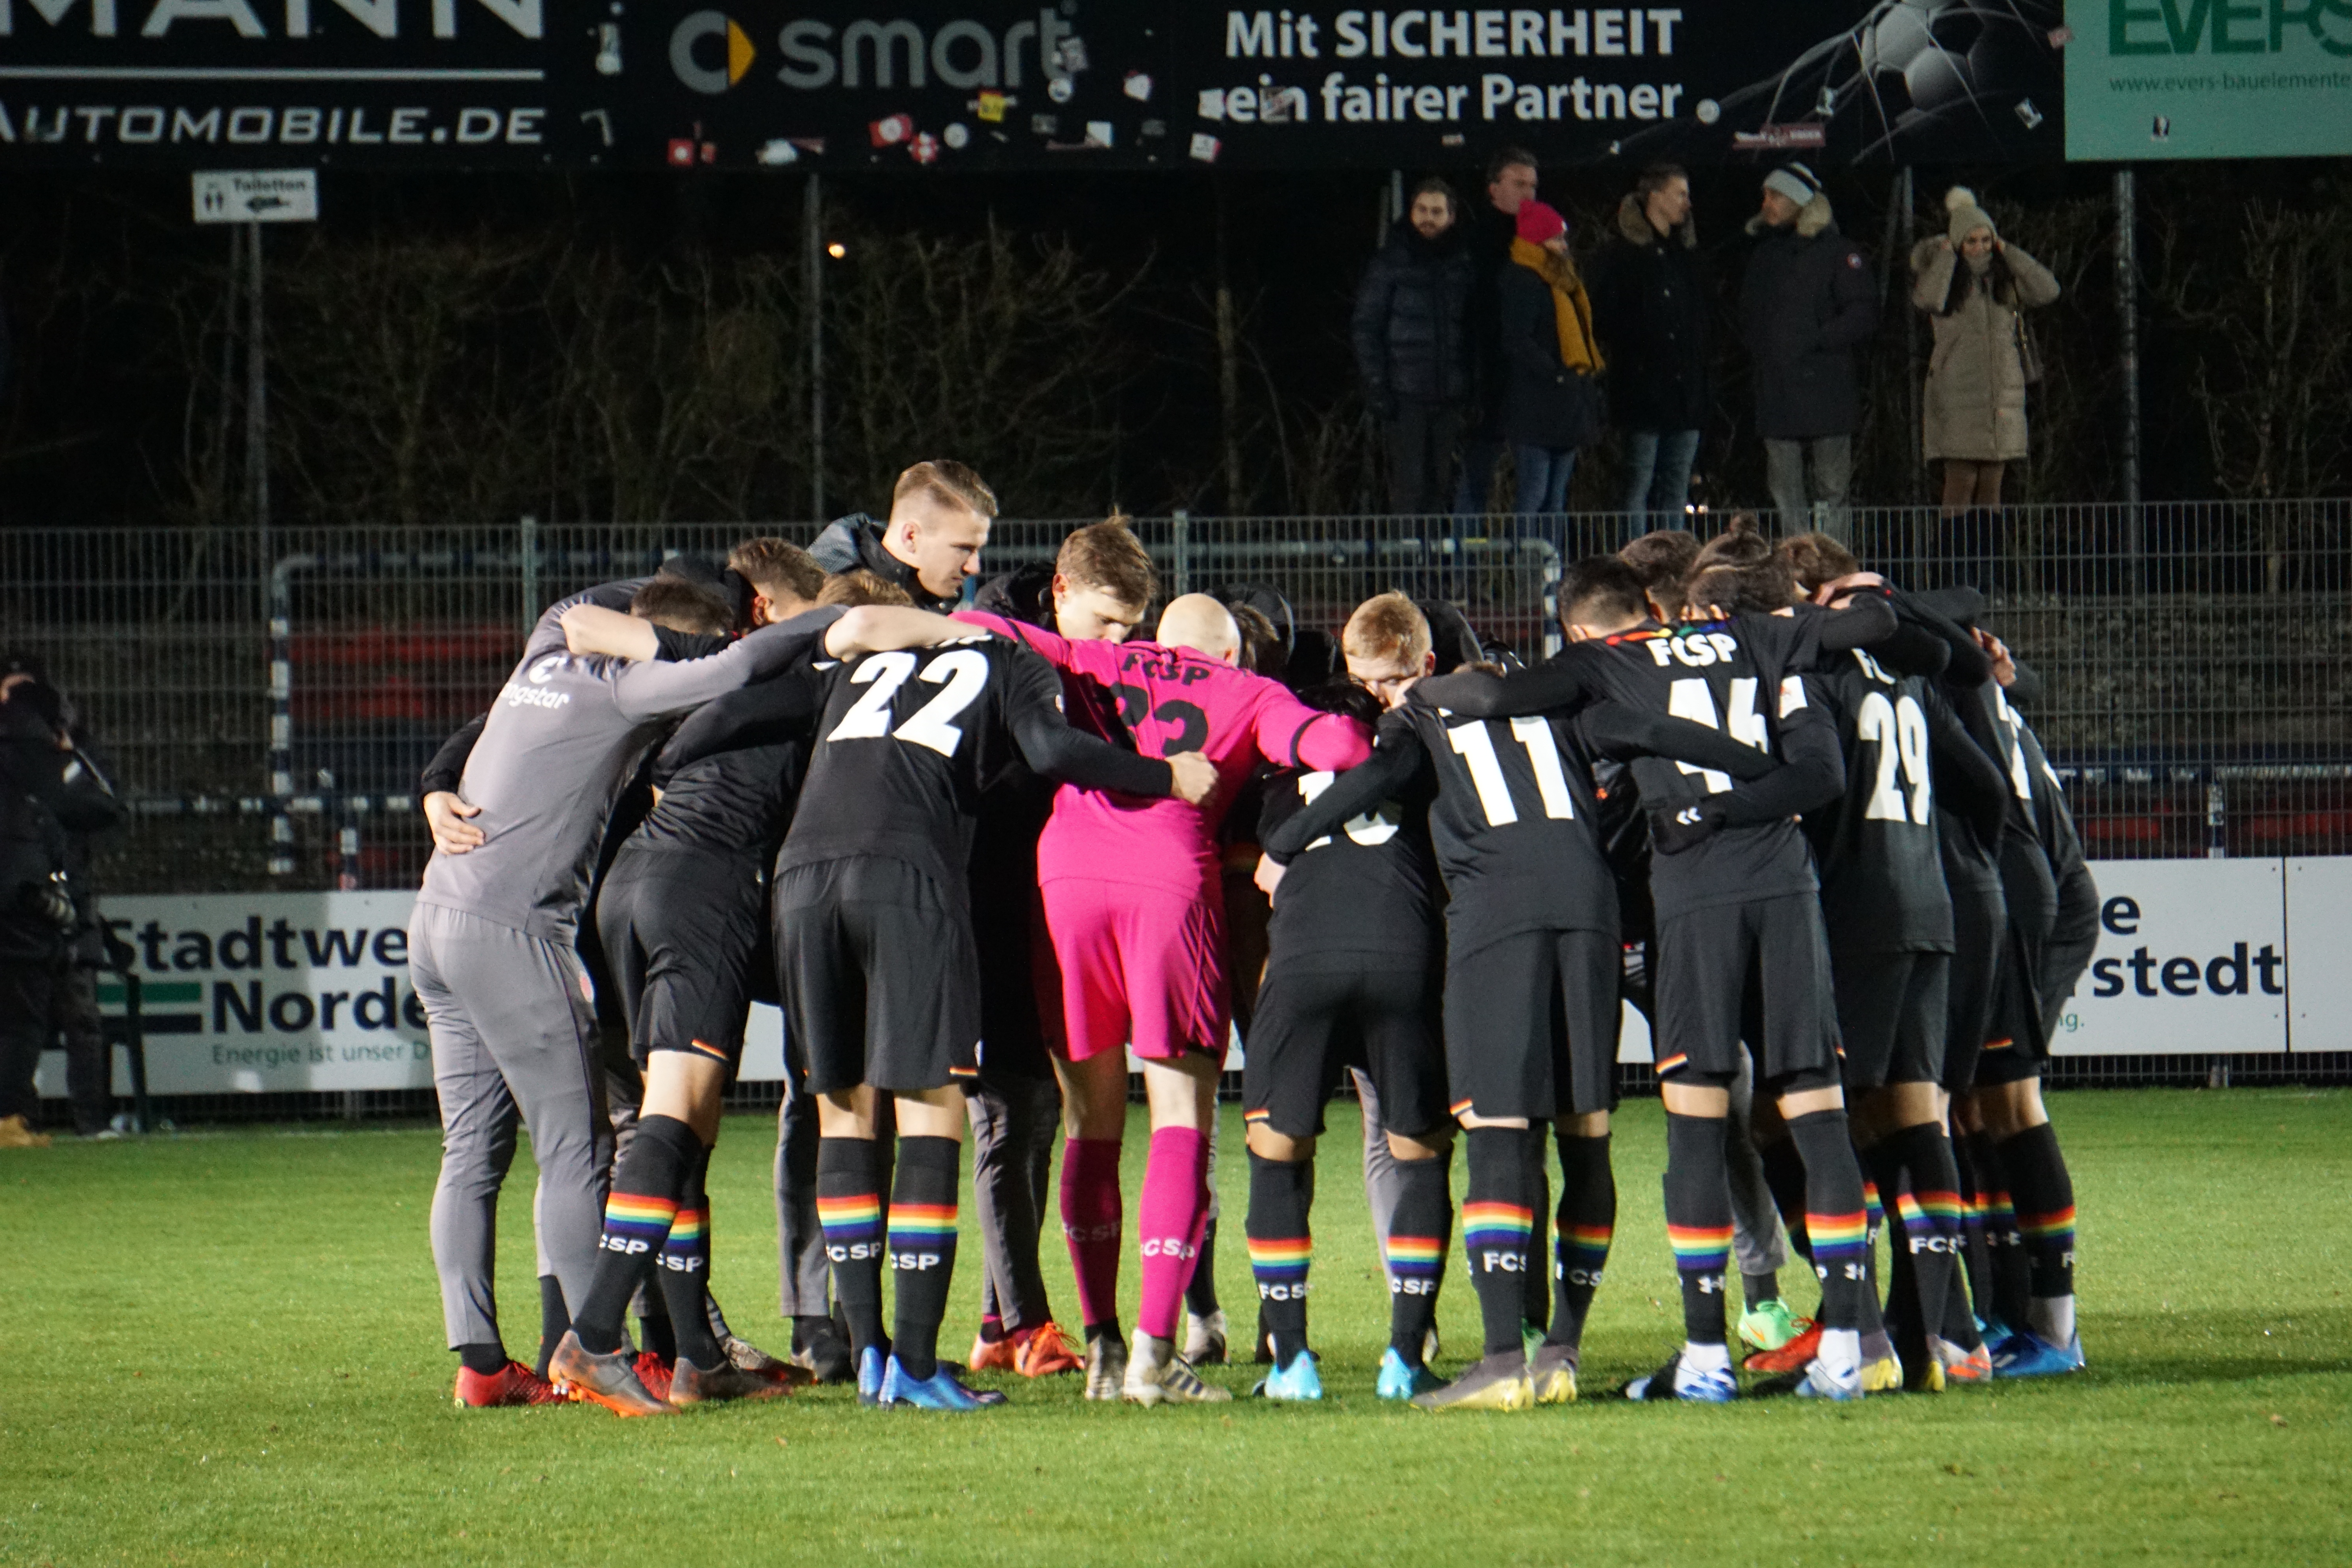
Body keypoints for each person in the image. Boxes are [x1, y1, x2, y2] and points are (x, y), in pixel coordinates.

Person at [670, 608, 1214, 1414]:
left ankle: (868, 1357)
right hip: (910, 877)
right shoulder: (1012, 660)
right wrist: (1165, 774)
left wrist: (664, 766)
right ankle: (919, 1365)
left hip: (805, 879)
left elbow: (727, 713)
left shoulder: (864, 660)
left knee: (844, 1114)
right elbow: (1054, 750)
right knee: (933, 1112)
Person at [1274, 592, 1788, 1411]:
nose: (1382, 695)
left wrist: (1284, 843)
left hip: (1498, 921)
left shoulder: (1419, 722)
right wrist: (1762, 768)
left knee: (1499, 1133)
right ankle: (1562, 1351)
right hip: (1590, 917)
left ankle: (1502, 1357)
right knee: (1586, 1136)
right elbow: (1654, 733)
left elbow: (1373, 781)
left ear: (1426, 670)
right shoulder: (1561, 705)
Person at [1416, 530, 1893, 1402]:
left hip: (1694, 896)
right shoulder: (1757, 639)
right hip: (1788, 885)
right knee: (1818, 1113)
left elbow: (1493, 695)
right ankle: (1851, 1349)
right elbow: (1868, 628)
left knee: (1696, 1120)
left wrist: (1427, 686)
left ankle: (1707, 1353)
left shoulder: (1606, 664)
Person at [408, 573, 850, 1410]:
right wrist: (840, 620)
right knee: (579, 1147)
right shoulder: (626, 695)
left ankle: (482, 1361)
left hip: (436, 912)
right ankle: (596, 1349)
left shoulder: (545, 641)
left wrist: (435, 782)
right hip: (515, 928)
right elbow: (734, 669)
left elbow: (598, 606)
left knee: (470, 1152)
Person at [949, 593, 1373, 1405]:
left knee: (1089, 1126)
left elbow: (982, 624)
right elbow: (1338, 745)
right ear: (1235, 652)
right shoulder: (1251, 692)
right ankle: (1153, 1349)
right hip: (1169, 883)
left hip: (1064, 880)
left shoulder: (1096, 659)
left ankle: (1104, 1347)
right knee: (1181, 1117)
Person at [965, 520, 1158, 1384]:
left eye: (1133, 628)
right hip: (977, 898)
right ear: (1061, 593)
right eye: (1109, 622)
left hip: (1039, 901)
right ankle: (1027, 1324)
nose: (1120, 644)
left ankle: (997, 1316)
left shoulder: (1052, 652)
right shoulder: (999, 646)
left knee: (1033, 1113)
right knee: (1010, 1112)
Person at [1240, 647, 1448, 1403]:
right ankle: (1405, 1358)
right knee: (1418, 1154)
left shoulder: (1276, 778)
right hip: (1404, 953)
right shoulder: (1420, 757)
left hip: (1306, 960)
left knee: (1276, 1151)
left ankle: (1291, 1362)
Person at [1740, 162, 1877, 542]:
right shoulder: (1764, 256)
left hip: (1828, 391)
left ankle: (1833, 572)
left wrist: (1815, 339)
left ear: (1800, 202)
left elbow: (1863, 312)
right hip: (1777, 391)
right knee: (1786, 493)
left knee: (1833, 489)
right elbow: (1748, 315)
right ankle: (1796, 573)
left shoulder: (1839, 253)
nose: (1766, 203)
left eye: (1775, 195)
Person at [1911, 187, 2061, 517]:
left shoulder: (2004, 279)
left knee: (1993, 491)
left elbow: (2048, 289)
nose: (1980, 248)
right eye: (1971, 240)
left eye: (1986, 240)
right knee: (1960, 486)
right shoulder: (1946, 278)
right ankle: (1953, 564)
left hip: (2001, 398)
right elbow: (1928, 299)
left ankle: (1986, 564)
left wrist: (2008, 250)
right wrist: (1948, 253)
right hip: (1959, 395)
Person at [1587, 164, 1709, 534]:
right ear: (1654, 196)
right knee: (1638, 484)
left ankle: (1673, 566)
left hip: (1684, 393)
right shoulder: (1619, 255)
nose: (1687, 204)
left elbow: (1702, 323)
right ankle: (1635, 565)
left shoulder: (1687, 255)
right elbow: (1600, 317)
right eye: (1680, 194)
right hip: (1641, 391)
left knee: (1676, 484)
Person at [1352, 177, 1475, 516]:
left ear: (1451, 217)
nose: (1428, 218)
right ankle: (1406, 567)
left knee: (1442, 486)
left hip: (1450, 395)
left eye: (1437, 211)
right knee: (1410, 488)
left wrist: (1471, 383)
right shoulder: (1390, 262)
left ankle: (1435, 566)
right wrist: (1378, 387)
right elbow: (1366, 328)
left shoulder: (1463, 264)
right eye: (1421, 209)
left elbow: (1472, 328)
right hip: (1405, 396)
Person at [0, 663, 71, 1151]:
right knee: (22, 1018)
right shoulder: (39, 758)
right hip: (20, 901)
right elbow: (76, 817)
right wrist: (56, 885)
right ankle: (7, 1119)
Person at [1498, 200, 1605, 522]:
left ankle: (1551, 568)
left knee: (1555, 498)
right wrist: (1555, 372)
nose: (1563, 246)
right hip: (1535, 406)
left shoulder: (1564, 282)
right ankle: (1527, 567)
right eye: (1556, 239)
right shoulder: (1523, 281)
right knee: (1535, 493)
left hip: (1565, 404)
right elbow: (1518, 339)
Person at [1456, 146, 1541, 520]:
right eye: (1518, 183)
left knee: (1535, 490)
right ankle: (1466, 574)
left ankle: (1530, 576)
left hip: (1530, 382)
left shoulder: (1541, 243)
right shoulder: (1475, 243)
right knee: (1477, 482)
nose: (1528, 193)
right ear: (1493, 189)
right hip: (1488, 380)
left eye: (1533, 186)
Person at [808, 460, 995, 612]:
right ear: (911, 537)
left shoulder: (931, 598)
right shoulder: (815, 602)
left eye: (978, 550)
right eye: (963, 549)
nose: (974, 568)